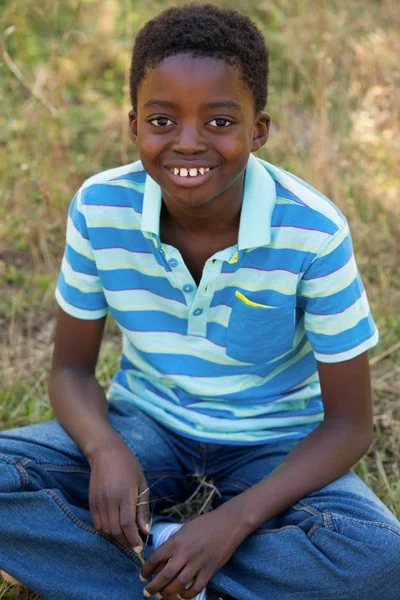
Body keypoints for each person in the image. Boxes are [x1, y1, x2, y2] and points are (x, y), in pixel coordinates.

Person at [0, 3, 399, 599]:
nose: (188, 144)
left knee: (379, 560)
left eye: (218, 122)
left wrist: (231, 524)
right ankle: (182, 565)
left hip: (276, 450)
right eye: (162, 121)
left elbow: (348, 424)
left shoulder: (313, 230)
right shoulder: (100, 207)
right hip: (145, 428)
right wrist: (105, 448)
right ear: (133, 124)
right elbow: (70, 371)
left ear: (257, 129)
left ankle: (153, 563)